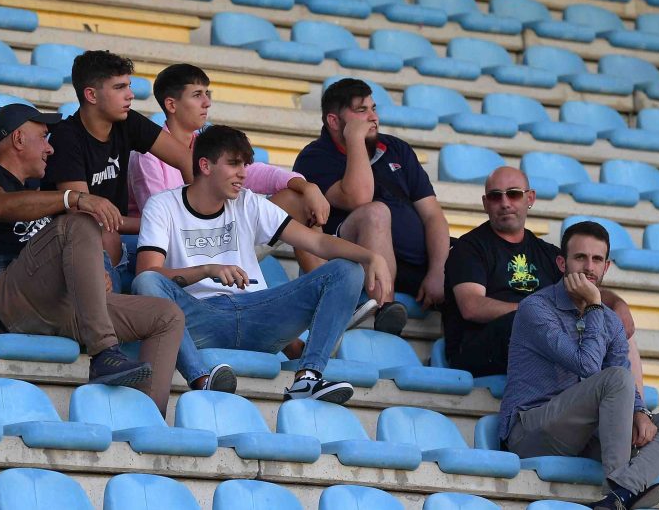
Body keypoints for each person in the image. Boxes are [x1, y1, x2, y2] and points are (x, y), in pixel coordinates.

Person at [0, 103, 185, 414]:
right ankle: (104, 353)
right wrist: (73, 197)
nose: (50, 148)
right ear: (18, 139)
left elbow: (52, 260)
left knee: (166, 315)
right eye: (43, 137)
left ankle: (147, 421)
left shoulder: (34, 190)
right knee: (79, 220)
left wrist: (92, 275)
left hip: (50, 305)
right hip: (1, 305)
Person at [132, 125, 390, 403]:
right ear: (205, 165)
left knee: (348, 269)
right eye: (233, 163)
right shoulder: (163, 205)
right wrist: (207, 270)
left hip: (258, 316)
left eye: (245, 164)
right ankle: (201, 379)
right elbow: (149, 273)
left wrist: (370, 257)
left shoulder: (249, 202)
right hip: (199, 319)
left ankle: (308, 377)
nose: (243, 173)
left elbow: (318, 243)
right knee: (146, 282)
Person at [499, 220, 659, 510]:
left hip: (584, 435)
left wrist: (640, 412)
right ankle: (620, 487)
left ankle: (618, 497)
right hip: (532, 430)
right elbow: (589, 367)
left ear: (606, 267)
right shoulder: (536, 308)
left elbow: (623, 374)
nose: (589, 267)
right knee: (615, 378)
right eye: (580, 257)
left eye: (597, 259)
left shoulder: (609, 320)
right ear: (562, 263)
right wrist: (593, 304)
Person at [442, 167, 645, 394]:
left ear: (530, 198)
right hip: (480, 349)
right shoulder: (469, 248)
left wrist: (617, 303)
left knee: (614, 323)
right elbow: (472, 306)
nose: (505, 203)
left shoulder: (547, 253)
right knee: (531, 323)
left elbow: (584, 285)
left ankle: (636, 408)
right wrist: (534, 312)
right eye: (495, 196)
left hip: (539, 342)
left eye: (514, 194)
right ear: (485, 203)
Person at [129, 63, 330, 274]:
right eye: (197, 95)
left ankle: (324, 287)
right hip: (182, 248)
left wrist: (308, 187)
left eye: (207, 94)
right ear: (171, 105)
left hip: (222, 236)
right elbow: (159, 218)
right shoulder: (147, 155)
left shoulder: (207, 144)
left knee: (300, 199)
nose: (207, 102)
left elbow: (261, 173)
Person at [293, 78, 451, 335]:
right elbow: (359, 199)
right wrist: (355, 139)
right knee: (375, 213)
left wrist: (438, 270)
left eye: (373, 108)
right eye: (361, 110)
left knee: (473, 258)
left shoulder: (396, 148)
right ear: (334, 121)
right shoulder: (315, 156)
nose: (373, 117)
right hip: (354, 259)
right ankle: (386, 309)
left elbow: (433, 215)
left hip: (415, 263)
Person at [43, 51, 194, 291]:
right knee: (105, 232)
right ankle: (110, 306)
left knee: (183, 245)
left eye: (129, 86)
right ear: (91, 95)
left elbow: (186, 159)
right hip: (73, 244)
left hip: (119, 235)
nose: (130, 94)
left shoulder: (127, 121)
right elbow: (85, 215)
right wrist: (156, 224)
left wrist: (196, 217)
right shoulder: (66, 137)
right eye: (119, 87)